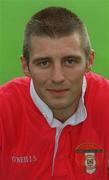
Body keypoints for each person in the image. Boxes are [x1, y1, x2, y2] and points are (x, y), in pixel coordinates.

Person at [0, 6, 109, 180]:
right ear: (25, 66)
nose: (57, 77)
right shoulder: (3, 110)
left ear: (89, 61)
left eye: (70, 61)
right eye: (44, 63)